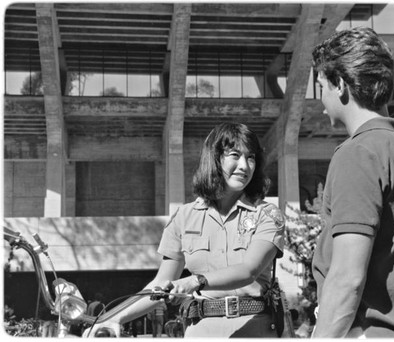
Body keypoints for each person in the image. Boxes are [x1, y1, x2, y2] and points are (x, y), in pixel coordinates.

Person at [84, 123, 284, 338]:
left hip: (255, 330)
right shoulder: (184, 217)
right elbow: (161, 284)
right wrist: (112, 319)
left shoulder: (267, 214)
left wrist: (194, 281)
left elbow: (248, 271)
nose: (245, 165)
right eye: (235, 155)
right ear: (214, 159)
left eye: (251, 157)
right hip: (200, 331)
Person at [310, 27, 394, 338]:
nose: (321, 100)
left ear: (340, 85)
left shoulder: (358, 154)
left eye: (321, 86)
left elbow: (347, 279)